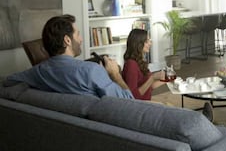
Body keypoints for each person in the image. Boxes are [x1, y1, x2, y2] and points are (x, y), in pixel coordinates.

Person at [5, 14, 133, 99]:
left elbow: (7, 81)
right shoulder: (92, 71)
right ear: (67, 40)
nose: (81, 39)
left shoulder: (38, 72)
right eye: (78, 34)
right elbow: (129, 102)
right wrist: (115, 74)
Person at [122, 29, 166, 100]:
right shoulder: (131, 65)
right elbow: (133, 96)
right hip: (140, 106)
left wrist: (167, 80)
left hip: (146, 102)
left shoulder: (140, 61)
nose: (150, 43)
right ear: (138, 44)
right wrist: (153, 78)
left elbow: (149, 87)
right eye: (146, 41)